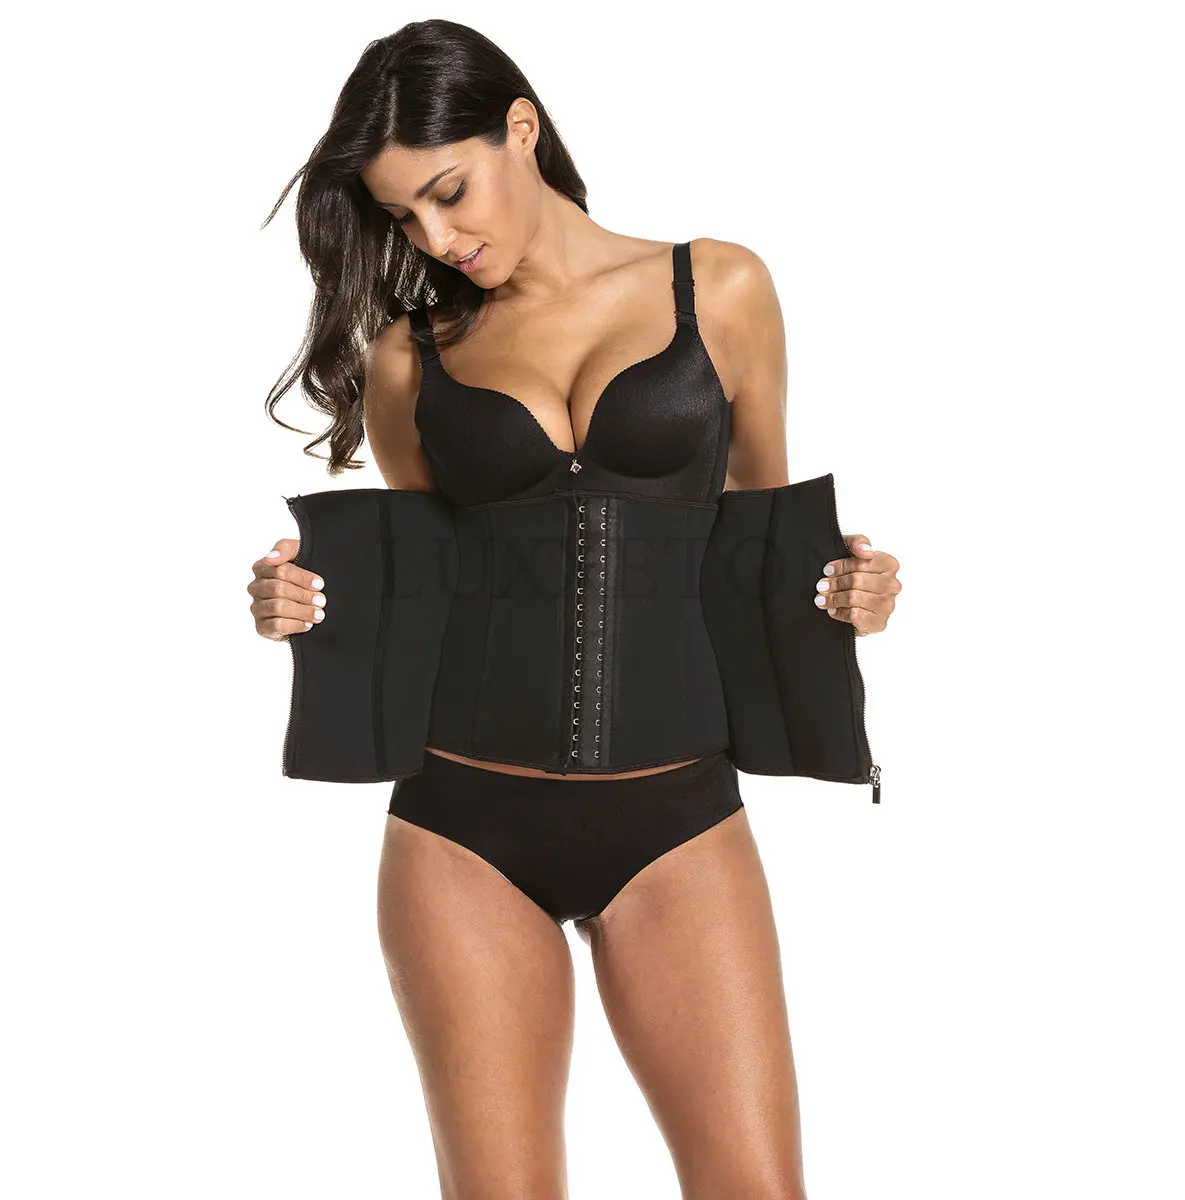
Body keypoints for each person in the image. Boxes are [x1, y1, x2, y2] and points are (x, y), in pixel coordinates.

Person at [246, 18, 902, 1200]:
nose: (437, 238)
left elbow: (761, 539)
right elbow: (427, 584)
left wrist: (854, 591)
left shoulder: (721, 288)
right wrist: (302, 601)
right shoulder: (411, 358)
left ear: (522, 128)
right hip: (459, 833)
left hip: (678, 821)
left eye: (448, 191)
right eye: (403, 217)